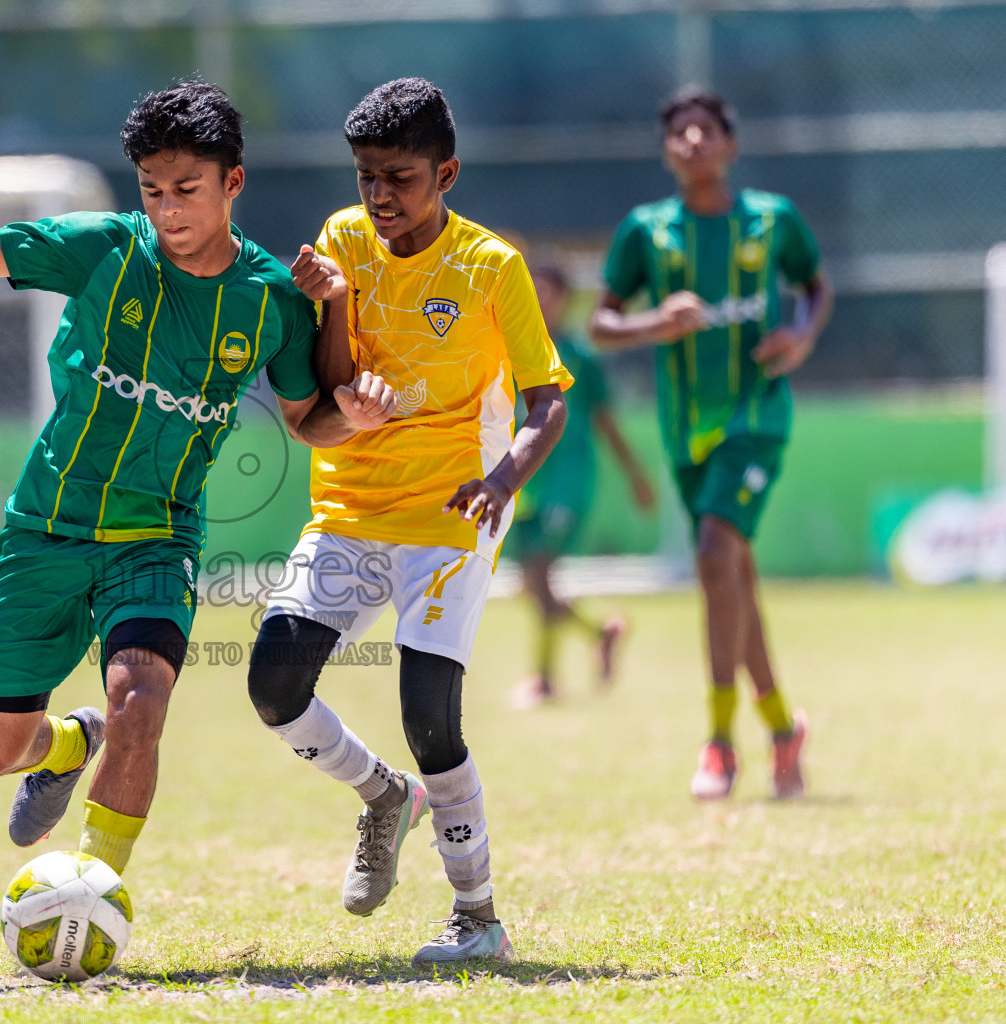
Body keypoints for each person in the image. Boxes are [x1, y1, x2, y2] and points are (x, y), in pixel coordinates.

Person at [0, 81, 394, 877]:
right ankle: (68, 741)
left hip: (157, 537)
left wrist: (355, 421)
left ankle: (97, 888)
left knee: (143, 702)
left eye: (187, 190)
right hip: (46, 525)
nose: (168, 210)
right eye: (153, 190)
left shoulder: (271, 299)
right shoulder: (104, 248)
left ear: (233, 183)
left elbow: (308, 419)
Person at [247, 78, 571, 965]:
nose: (379, 196)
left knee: (430, 711)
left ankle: (478, 918)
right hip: (351, 501)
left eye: (400, 177)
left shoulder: (492, 267)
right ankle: (385, 795)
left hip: (451, 507)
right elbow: (326, 380)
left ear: (447, 173)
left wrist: (505, 478)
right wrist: (339, 306)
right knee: (274, 684)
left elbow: (548, 404)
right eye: (365, 177)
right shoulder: (342, 243)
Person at [589, 88, 832, 801]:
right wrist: (653, 324)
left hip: (756, 419)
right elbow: (602, 325)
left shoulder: (771, 219)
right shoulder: (647, 231)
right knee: (733, 578)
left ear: (729, 144)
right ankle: (783, 728)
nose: (692, 141)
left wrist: (802, 334)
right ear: (667, 152)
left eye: (706, 130)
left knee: (714, 557)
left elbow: (816, 286)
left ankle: (720, 742)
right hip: (685, 432)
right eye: (679, 133)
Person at [509, 263, 655, 707]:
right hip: (522, 478)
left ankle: (545, 678)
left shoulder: (581, 357)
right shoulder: (510, 348)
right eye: (534, 291)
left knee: (539, 572)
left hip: (567, 481)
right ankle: (600, 634)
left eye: (549, 292)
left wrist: (636, 476)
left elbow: (605, 421)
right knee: (532, 582)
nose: (541, 299)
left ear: (565, 299)